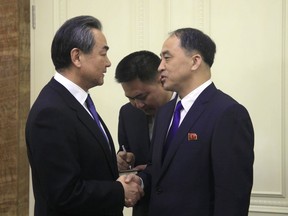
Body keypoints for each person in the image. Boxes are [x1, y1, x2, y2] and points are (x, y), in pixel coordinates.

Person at [25, 15, 143, 216]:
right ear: (77, 57)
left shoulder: (75, 101)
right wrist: (119, 190)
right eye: (103, 53)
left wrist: (108, 162)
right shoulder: (51, 112)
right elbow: (63, 193)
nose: (108, 62)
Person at [138, 28, 254, 215]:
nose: (160, 67)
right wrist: (140, 181)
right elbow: (158, 170)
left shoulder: (228, 114)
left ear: (195, 62)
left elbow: (232, 197)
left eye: (167, 58)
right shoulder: (165, 112)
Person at [115, 50, 175, 216]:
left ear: (160, 79)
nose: (138, 105)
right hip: (145, 208)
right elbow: (125, 150)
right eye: (130, 98)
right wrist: (122, 160)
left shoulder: (185, 111)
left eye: (142, 96)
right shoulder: (128, 113)